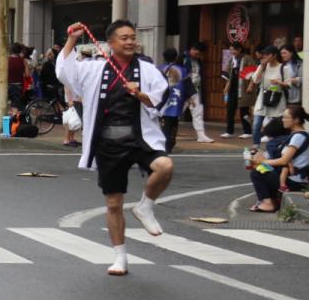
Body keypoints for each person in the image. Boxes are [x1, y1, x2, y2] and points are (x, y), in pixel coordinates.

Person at [57, 20, 173, 277]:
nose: (130, 41)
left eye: (133, 37)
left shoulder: (146, 69)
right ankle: (120, 256)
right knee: (113, 203)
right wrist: (72, 40)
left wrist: (141, 94)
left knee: (165, 166)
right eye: (124, 38)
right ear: (110, 43)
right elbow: (66, 72)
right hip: (108, 142)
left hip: (140, 138)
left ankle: (146, 206)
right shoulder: (94, 68)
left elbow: (163, 95)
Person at [248, 105, 307, 212]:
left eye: (285, 117)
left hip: (294, 182)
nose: (283, 120)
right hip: (294, 178)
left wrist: (262, 161)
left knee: (257, 172)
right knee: (262, 168)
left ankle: (268, 203)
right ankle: (272, 200)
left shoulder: (298, 136)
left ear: (296, 120)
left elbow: (284, 160)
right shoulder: (297, 135)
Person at [249, 46, 288, 146]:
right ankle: (256, 146)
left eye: (267, 55)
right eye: (264, 55)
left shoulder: (283, 68)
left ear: (274, 55)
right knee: (256, 124)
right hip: (263, 97)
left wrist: (279, 82)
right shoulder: (263, 66)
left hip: (277, 98)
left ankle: (277, 145)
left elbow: (288, 85)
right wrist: (261, 67)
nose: (265, 56)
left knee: (277, 125)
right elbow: (255, 80)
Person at [181, 41, 213, 143]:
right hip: (183, 91)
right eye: (197, 53)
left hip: (195, 90)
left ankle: (201, 135)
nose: (198, 56)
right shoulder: (183, 58)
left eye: (200, 54)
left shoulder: (198, 61)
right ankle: (164, 132)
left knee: (198, 112)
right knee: (175, 112)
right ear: (192, 49)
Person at [220, 42, 253, 138]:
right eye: (230, 50)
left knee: (244, 111)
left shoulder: (247, 58)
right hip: (233, 88)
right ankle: (229, 131)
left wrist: (250, 86)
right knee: (230, 110)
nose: (232, 52)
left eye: (233, 50)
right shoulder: (231, 60)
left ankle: (248, 131)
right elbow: (228, 76)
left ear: (239, 49)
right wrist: (226, 86)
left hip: (243, 88)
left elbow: (253, 74)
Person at [158, 48, 186, 153]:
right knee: (174, 122)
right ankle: (170, 142)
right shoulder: (182, 70)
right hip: (177, 100)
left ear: (163, 56)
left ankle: (165, 144)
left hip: (163, 102)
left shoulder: (159, 69)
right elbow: (188, 85)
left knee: (164, 124)